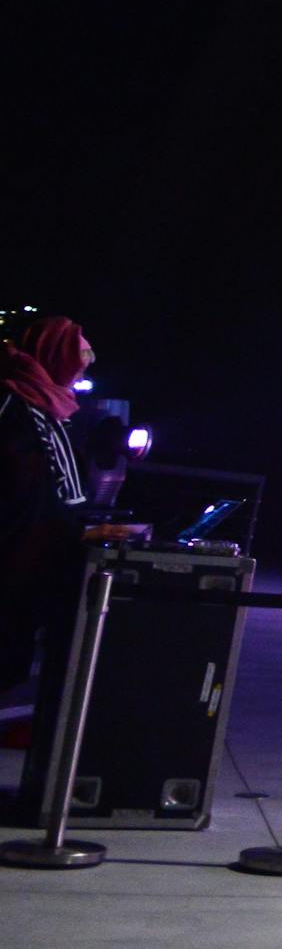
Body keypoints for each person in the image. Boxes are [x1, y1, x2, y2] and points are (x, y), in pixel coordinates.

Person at [0, 310, 106, 728]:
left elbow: (61, 491)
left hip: (33, 567)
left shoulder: (48, 404)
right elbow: (22, 489)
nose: (81, 372)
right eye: (77, 362)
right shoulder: (12, 401)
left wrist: (85, 529)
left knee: (13, 663)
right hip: (12, 561)